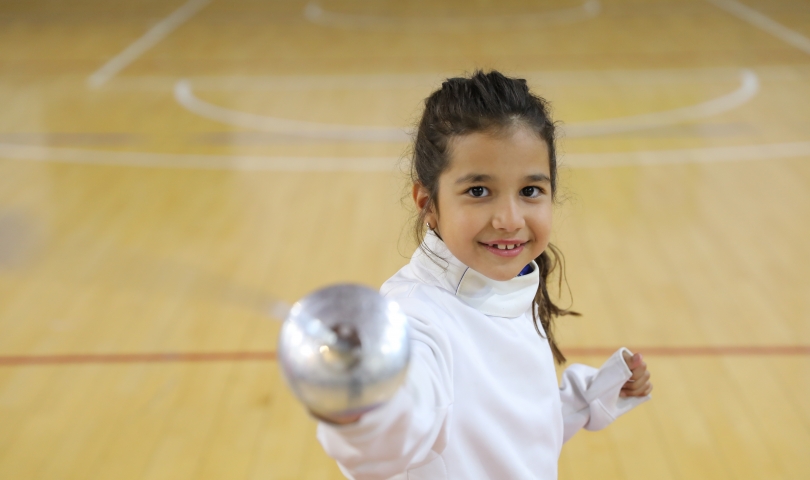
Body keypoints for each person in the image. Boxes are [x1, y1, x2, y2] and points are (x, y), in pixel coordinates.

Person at [316, 70, 653, 479]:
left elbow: (504, 434)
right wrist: (365, 409)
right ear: (429, 203)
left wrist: (587, 398)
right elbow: (399, 429)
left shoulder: (508, 286)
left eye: (530, 191)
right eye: (478, 191)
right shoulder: (412, 320)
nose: (510, 220)